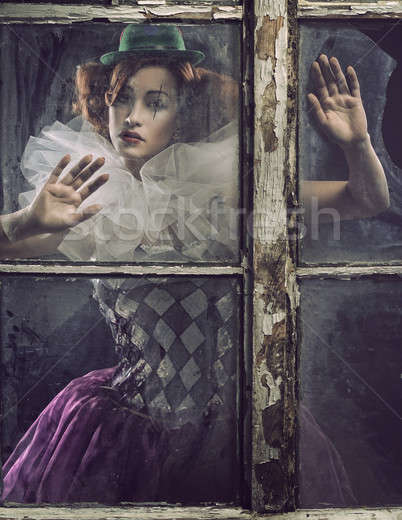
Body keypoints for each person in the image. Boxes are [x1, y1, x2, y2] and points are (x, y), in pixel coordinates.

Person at [0, 25, 389, 504]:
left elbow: (364, 200)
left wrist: (356, 143)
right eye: (120, 99)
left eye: (155, 102)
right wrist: (26, 219)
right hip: (121, 429)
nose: (132, 117)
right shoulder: (92, 199)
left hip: (235, 431)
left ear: (182, 113)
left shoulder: (228, 194)